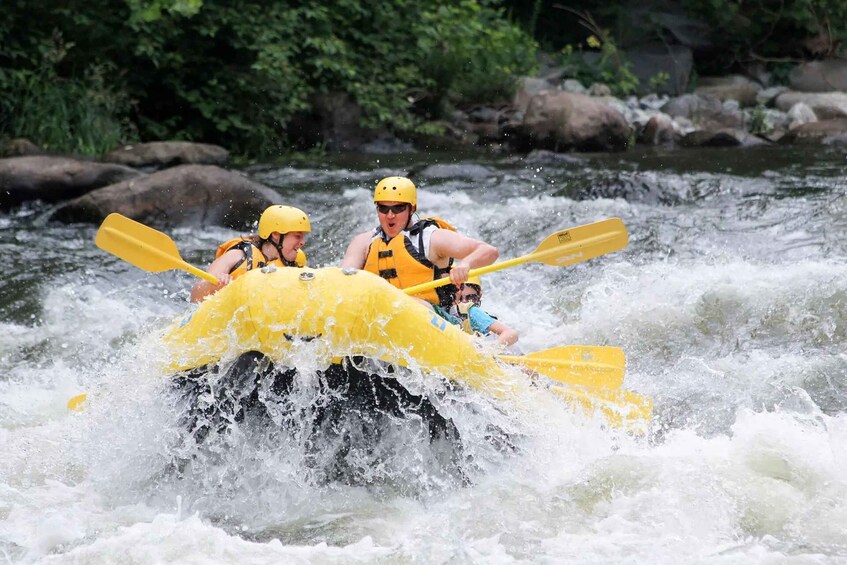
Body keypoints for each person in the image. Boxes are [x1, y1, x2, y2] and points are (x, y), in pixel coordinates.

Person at [341, 176, 498, 307]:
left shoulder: (433, 238)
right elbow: (343, 280)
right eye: (383, 208)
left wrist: (465, 264)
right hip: (379, 315)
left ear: (412, 209)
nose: (390, 215)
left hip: (431, 317)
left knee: (411, 303)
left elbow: (489, 251)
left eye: (398, 208)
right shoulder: (363, 242)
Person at [190, 205, 310, 303]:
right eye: (297, 236)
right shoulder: (238, 256)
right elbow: (195, 297)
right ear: (276, 234)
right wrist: (214, 285)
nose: (302, 242)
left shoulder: (296, 262)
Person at [434, 276, 519, 347]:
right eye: (460, 298)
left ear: (479, 296)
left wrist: (491, 350)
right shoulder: (440, 307)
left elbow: (511, 333)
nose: (464, 302)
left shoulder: (472, 312)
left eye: (471, 297)